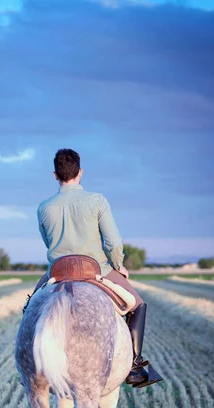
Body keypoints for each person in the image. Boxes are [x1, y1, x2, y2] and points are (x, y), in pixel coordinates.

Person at [33, 148, 162, 388]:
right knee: (137, 304)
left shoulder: (43, 207)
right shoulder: (97, 201)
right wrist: (119, 265)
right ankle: (134, 367)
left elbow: (48, 242)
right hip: (96, 269)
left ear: (55, 175)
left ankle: (32, 365)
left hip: (58, 270)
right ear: (80, 172)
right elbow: (113, 242)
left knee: (30, 306)